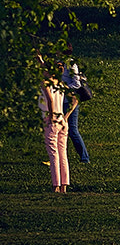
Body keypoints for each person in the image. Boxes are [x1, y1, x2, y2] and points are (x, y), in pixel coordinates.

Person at [37, 55, 77, 193]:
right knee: (62, 154)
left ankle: (55, 186)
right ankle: (64, 186)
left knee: (53, 154)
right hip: (62, 121)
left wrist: (51, 116)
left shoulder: (46, 83)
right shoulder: (60, 83)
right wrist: (65, 117)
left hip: (52, 121)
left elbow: (50, 100)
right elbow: (75, 100)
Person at [61, 57, 90, 163]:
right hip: (60, 100)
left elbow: (76, 84)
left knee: (72, 130)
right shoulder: (59, 63)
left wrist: (63, 87)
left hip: (70, 100)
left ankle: (84, 157)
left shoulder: (71, 65)